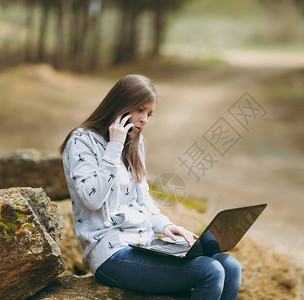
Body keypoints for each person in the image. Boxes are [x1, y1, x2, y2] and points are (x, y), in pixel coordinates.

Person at [59, 74, 242, 299]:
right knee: (210, 272)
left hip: (144, 244)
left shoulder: (135, 143)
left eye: (149, 113)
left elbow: (142, 199)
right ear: (120, 105)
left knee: (229, 265)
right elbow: (91, 199)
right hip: (110, 254)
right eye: (139, 109)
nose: (144, 119)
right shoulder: (81, 141)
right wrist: (115, 147)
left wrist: (165, 226)